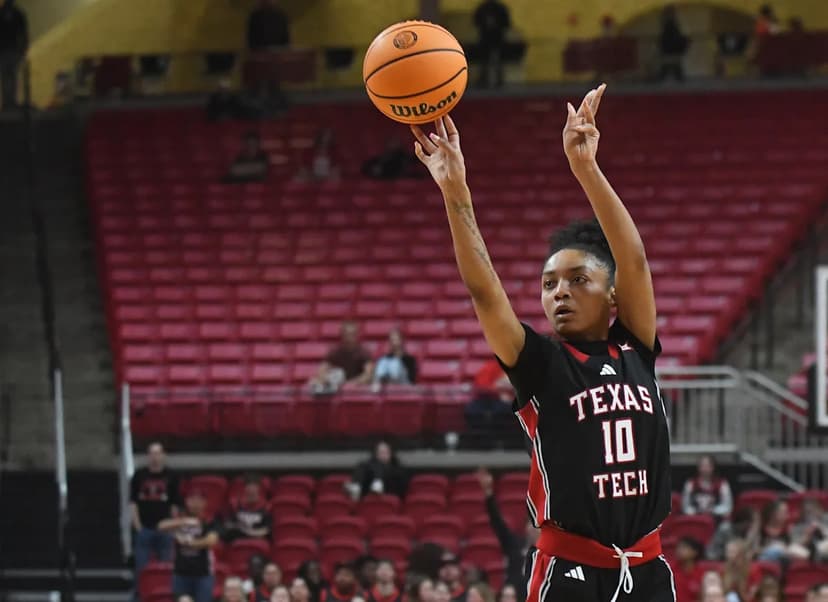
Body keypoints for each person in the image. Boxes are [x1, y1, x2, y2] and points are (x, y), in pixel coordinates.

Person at [411, 85, 673, 600]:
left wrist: (585, 168)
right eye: (549, 284)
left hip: (645, 568)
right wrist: (455, 191)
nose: (560, 293)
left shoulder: (636, 347)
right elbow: (485, 292)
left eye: (578, 280)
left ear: (613, 296)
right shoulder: (542, 365)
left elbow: (635, 259)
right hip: (570, 570)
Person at [476, 467, 537, 598]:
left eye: (535, 525)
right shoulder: (515, 545)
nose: (532, 528)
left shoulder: (547, 552)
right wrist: (488, 493)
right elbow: (498, 525)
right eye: (529, 524)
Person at [130, 442, 180, 589]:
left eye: (158, 453)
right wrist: (138, 526)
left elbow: (175, 505)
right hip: (144, 529)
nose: (155, 457)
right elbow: (133, 503)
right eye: (152, 453)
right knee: (141, 570)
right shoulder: (139, 475)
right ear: (148, 456)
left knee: (166, 569)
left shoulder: (172, 476)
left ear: (163, 455)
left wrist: (173, 527)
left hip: (165, 530)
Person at [160, 489, 220, 602]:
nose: (195, 504)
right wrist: (184, 521)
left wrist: (188, 543)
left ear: (204, 503)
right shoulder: (179, 519)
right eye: (192, 500)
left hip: (203, 574)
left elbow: (211, 540)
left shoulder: (210, 520)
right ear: (186, 501)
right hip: (180, 573)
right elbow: (161, 526)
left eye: (198, 500)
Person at [309, 321, 373, 394]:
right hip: (337, 387)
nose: (349, 337)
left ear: (357, 335)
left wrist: (349, 384)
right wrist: (326, 379)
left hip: (357, 389)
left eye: (352, 334)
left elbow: (368, 375)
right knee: (314, 382)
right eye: (346, 334)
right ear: (342, 335)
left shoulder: (364, 353)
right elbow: (321, 370)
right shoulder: (335, 352)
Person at [464, 360, 514, 437]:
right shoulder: (490, 366)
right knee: (472, 408)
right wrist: (498, 388)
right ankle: (476, 438)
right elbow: (481, 386)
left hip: (504, 402)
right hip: (485, 399)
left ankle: (503, 439)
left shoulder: (514, 368)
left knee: (506, 409)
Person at [681, 455, 733, 521]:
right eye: (702, 466)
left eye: (708, 466)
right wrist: (696, 512)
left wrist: (713, 511)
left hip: (717, 520)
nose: (705, 469)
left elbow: (728, 507)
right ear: (698, 467)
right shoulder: (690, 484)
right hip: (695, 519)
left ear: (713, 467)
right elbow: (685, 507)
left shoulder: (722, 484)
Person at [473, 0, 510, 88]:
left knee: (497, 61)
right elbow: (476, 21)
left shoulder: (498, 8)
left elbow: (507, 23)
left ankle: (497, 80)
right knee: (485, 60)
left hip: (497, 38)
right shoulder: (484, 8)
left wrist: (495, 26)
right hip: (486, 38)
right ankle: (485, 79)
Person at [225, 475, 272, 542]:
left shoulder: (266, 508)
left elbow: (267, 530)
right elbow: (228, 526)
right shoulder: (236, 506)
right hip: (239, 543)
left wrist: (248, 532)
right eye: (249, 491)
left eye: (254, 491)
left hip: (258, 543)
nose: (252, 491)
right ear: (244, 490)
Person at [0, 0, 26, 111]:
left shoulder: (16, 14)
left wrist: (22, 49)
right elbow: (23, 33)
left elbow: (23, 33)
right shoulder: (17, 13)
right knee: (9, 77)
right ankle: (8, 102)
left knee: (9, 77)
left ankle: (9, 102)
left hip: (10, 51)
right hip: (7, 51)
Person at [721, 538, 761, 602]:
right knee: (731, 596)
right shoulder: (724, 568)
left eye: (732, 551)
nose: (728, 554)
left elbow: (752, 595)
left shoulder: (753, 569)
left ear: (740, 554)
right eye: (727, 551)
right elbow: (724, 592)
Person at [657, 4, 689, 81]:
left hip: (669, 48)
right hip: (672, 48)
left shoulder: (668, 24)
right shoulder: (672, 25)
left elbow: (664, 39)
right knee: (675, 65)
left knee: (668, 65)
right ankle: (677, 77)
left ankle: (667, 76)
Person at [670, 537, 706, 602]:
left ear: (695, 552)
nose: (679, 551)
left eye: (684, 548)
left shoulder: (702, 573)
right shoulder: (670, 570)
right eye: (678, 547)